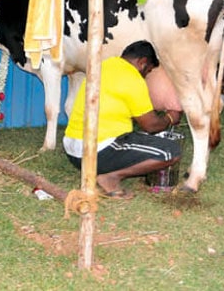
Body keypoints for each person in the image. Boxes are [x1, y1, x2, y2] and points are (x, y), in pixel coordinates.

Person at [63, 41, 182, 199]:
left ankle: (106, 170)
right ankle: (110, 177)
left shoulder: (103, 66)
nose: (145, 76)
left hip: (74, 151)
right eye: (148, 71)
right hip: (98, 151)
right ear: (142, 63)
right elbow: (151, 126)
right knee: (171, 152)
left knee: (140, 139)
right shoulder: (132, 78)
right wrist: (170, 117)